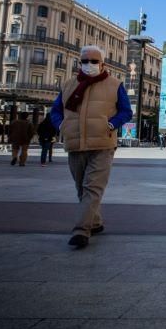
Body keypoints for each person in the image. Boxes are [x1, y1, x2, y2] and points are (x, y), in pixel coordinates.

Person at [50, 45, 133, 249]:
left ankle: (81, 231)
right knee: (81, 188)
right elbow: (55, 111)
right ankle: (94, 223)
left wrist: (111, 124)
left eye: (94, 61)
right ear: (80, 63)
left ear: (102, 64)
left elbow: (126, 111)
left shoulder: (115, 85)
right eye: (85, 61)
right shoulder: (69, 85)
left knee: (92, 187)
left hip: (103, 144)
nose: (89, 65)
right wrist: (62, 125)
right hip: (75, 144)